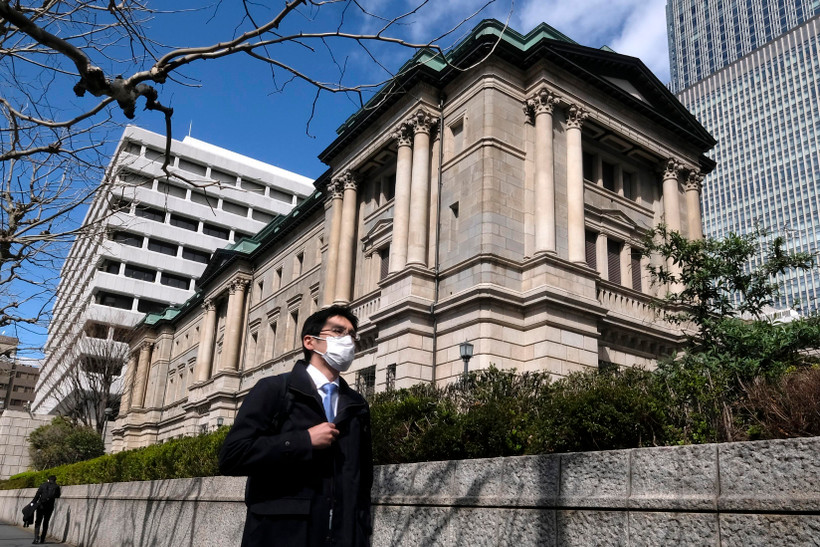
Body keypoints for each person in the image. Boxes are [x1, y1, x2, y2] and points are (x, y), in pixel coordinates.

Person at [219, 306, 373, 547]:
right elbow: (232, 455)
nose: (348, 340)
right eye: (338, 331)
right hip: (281, 535)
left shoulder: (357, 404)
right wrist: (302, 441)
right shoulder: (274, 389)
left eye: (352, 334)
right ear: (310, 342)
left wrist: (362, 530)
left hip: (343, 537)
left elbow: (363, 480)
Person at [31, 475, 61, 544]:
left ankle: (36, 538)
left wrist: (33, 503)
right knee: (46, 522)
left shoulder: (43, 485)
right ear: (55, 480)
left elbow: (37, 495)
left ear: (48, 479)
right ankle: (42, 539)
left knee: (38, 521)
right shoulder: (56, 487)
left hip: (41, 505)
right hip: (50, 506)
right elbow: (58, 496)